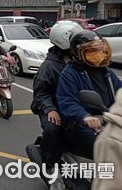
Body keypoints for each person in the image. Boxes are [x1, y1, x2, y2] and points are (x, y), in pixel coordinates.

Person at [31, 21, 83, 184]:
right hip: (53, 107)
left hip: (78, 106)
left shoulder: (81, 61)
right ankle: (50, 164)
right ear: (64, 41)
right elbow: (40, 93)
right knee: (52, 129)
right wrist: (50, 109)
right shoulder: (50, 66)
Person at [56, 30, 122, 159]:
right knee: (107, 150)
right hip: (81, 123)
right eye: (92, 53)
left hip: (108, 119)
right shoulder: (70, 74)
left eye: (101, 51)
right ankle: (102, 178)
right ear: (78, 55)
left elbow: (120, 92)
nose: (99, 55)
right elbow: (67, 101)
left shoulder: (107, 73)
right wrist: (84, 116)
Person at [93, 90, 122, 189]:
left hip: (101, 118)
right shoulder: (113, 138)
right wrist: (84, 116)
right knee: (51, 130)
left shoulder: (108, 75)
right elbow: (68, 102)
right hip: (81, 121)